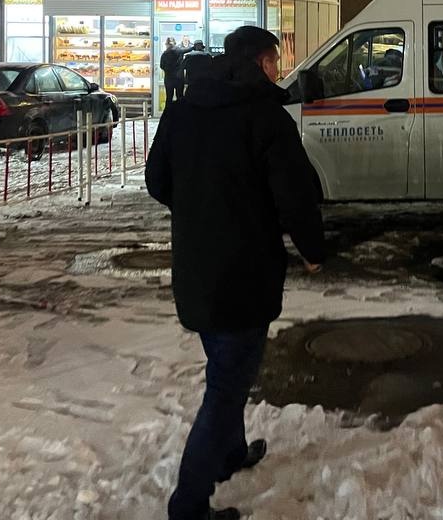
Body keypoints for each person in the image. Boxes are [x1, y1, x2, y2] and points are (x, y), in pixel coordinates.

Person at [146, 26, 325, 520]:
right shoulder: (265, 117)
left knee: (226, 370)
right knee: (225, 390)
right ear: (262, 63)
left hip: (197, 272)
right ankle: (188, 505)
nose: (278, 69)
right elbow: (295, 196)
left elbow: (156, 180)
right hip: (245, 276)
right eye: (275, 60)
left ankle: (230, 453)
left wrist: (201, 211)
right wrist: (312, 250)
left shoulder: (182, 110)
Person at [160, 37, 184, 106]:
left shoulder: (164, 54)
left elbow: (161, 66)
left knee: (169, 98)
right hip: (179, 78)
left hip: (169, 79)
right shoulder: (180, 52)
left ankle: (168, 114)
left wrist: (167, 70)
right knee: (180, 97)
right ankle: (180, 114)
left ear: (166, 45)